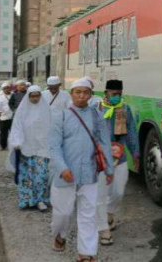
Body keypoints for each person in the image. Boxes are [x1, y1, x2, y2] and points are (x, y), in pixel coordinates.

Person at [49, 78, 113, 262]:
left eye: (86, 92)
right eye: (78, 92)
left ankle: (86, 253)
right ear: (71, 94)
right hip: (66, 175)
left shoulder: (96, 116)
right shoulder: (60, 115)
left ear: (91, 95)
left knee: (87, 214)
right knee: (63, 213)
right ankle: (59, 235)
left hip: (89, 173)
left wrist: (109, 168)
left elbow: (104, 143)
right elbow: (53, 146)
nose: (82, 96)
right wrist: (62, 168)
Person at [95, 80, 139, 246]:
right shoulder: (97, 108)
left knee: (118, 191)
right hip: (100, 158)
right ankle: (103, 230)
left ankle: (110, 213)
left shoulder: (124, 109)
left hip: (119, 157)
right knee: (101, 194)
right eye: (113, 94)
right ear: (106, 93)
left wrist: (135, 153)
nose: (116, 97)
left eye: (119, 94)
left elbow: (132, 132)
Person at [9, 86, 52, 211]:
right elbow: (16, 127)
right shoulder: (22, 110)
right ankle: (27, 200)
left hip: (42, 148)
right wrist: (16, 141)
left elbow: (52, 127)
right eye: (32, 96)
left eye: (37, 95)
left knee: (41, 175)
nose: (35, 98)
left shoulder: (46, 110)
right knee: (26, 176)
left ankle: (41, 200)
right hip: (25, 148)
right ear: (28, 96)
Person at [0, 83, 14, 150]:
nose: (6, 89)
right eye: (4, 88)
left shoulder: (13, 95)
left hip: (13, 117)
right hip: (4, 118)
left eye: (7, 88)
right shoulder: (1, 97)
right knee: (3, 133)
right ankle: (3, 146)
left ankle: (14, 145)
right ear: (2, 90)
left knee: (14, 132)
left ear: (10, 88)